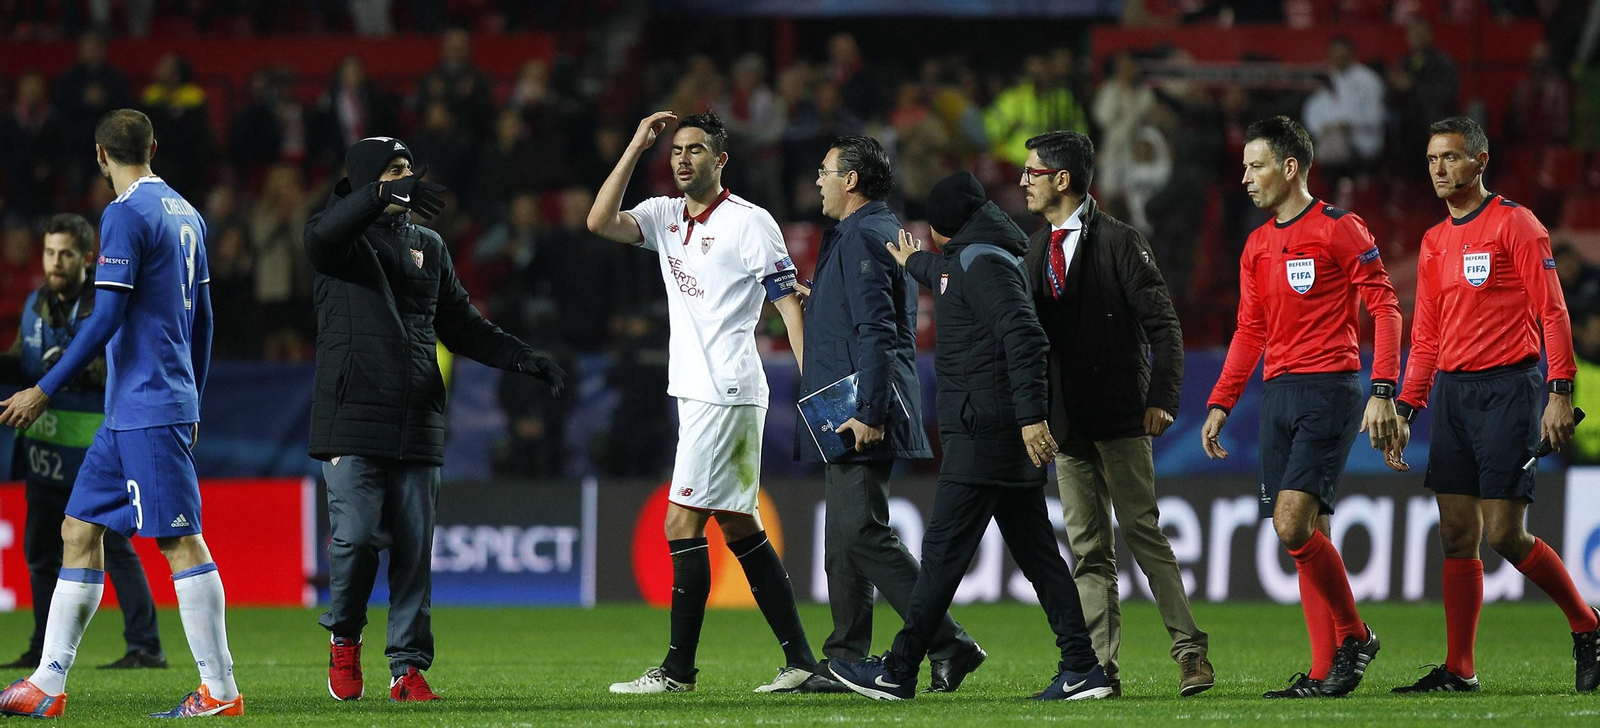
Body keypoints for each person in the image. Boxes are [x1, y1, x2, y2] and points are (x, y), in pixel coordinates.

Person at [304, 135, 566, 703]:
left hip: (419, 416)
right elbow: (324, 235)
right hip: (352, 415)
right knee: (354, 539)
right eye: (392, 171)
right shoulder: (339, 238)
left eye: (408, 170)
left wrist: (522, 356)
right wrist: (381, 195)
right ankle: (345, 637)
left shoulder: (429, 245)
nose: (406, 179)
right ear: (365, 181)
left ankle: (407, 669)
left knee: (414, 549)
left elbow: (463, 325)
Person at [830, 172, 1110, 702]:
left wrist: (1031, 418)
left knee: (940, 558)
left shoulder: (980, 263)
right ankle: (1082, 666)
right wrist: (912, 262)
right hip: (994, 430)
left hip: (988, 433)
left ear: (941, 227)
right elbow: (947, 275)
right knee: (1039, 558)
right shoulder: (978, 256)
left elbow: (1025, 335)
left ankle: (899, 668)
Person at [0, 108, 238, 719]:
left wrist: (42, 389)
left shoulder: (124, 214)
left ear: (100, 155)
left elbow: (104, 317)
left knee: (180, 542)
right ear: (152, 146)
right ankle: (47, 685)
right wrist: (197, 396)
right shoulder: (188, 213)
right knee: (78, 531)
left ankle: (220, 691)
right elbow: (206, 321)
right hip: (133, 409)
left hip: (148, 404)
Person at [588, 111, 817, 694]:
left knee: (679, 519)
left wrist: (812, 378)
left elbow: (788, 302)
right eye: (676, 150)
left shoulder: (751, 223)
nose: (682, 158)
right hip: (696, 392)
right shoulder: (664, 215)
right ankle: (801, 662)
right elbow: (598, 222)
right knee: (739, 526)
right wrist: (636, 143)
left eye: (695, 150)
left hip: (728, 389)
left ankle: (678, 671)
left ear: (721, 160)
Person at [1386, 116, 1600, 695]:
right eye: (1432, 160)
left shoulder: (1517, 225)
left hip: (1509, 389)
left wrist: (1560, 391)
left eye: (1450, 158)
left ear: (1480, 161)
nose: (1438, 169)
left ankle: (1589, 626)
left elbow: (1553, 312)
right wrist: (1407, 406)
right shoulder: (1434, 241)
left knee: (1505, 533)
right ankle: (1460, 669)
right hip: (1453, 395)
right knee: (1456, 535)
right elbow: (1425, 335)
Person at [1201, 115, 1401, 699]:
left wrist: (1383, 389)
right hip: (1278, 393)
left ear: (1290, 169)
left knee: (1292, 525)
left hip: (1329, 390)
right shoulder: (1257, 245)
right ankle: (1323, 672)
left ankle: (1356, 637)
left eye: (1255, 165)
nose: (1245, 178)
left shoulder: (1341, 228)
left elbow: (1385, 310)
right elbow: (1248, 330)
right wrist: (1221, 402)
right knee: (1309, 534)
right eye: (1243, 167)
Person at [1019, 130, 1211, 698]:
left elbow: (1165, 328)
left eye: (1033, 171)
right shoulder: (1033, 249)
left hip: (1123, 419)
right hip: (1067, 428)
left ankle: (1191, 655)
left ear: (1063, 179)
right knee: (1087, 551)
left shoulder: (1122, 242)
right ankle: (1098, 670)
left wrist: (1162, 399)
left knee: (1143, 535)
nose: (1024, 180)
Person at [800, 135, 983, 693]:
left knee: (861, 532)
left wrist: (872, 409)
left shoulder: (863, 235)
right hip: (848, 401)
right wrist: (823, 300)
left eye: (826, 171)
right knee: (842, 542)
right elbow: (869, 316)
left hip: (862, 404)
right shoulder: (874, 231)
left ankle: (949, 641)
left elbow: (880, 330)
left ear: (851, 180)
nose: (818, 181)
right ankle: (845, 659)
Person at [0, 214, 166, 673]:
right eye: (50, 252)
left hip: (94, 450)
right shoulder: (35, 304)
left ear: (87, 259)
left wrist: (59, 372)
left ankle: (145, 645)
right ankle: (39, 645)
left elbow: (117, 364)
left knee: (114, 545)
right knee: (41, 554)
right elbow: (20, 361)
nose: (56, 262)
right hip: (44, 452)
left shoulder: (105, 304)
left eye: (66, 254)